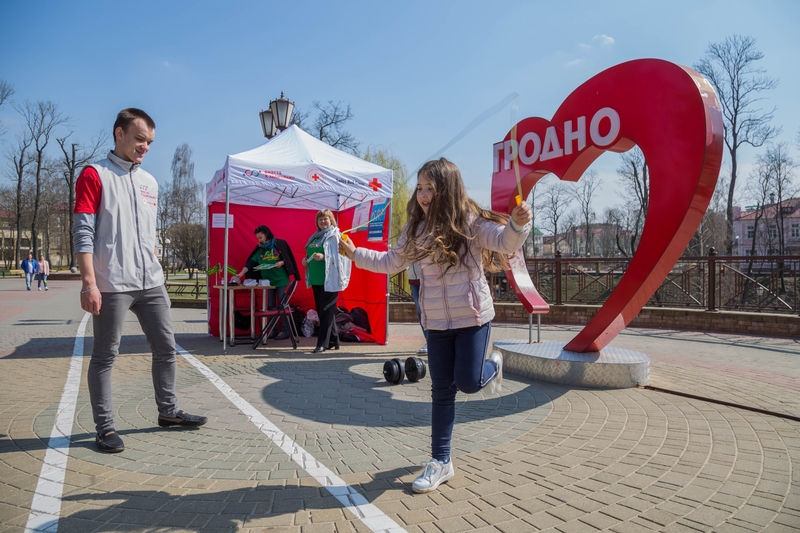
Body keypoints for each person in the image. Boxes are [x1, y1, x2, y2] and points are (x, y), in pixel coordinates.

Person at [339, 158, 531, 494]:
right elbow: (391, 262)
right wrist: (355, 254)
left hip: (472, 319)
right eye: (420, 188)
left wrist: (517, 225)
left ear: (448, 188)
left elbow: (504, 243)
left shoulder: (471, 221)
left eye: (431, 187)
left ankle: (494, 364)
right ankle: (441, 461)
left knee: (468, 382)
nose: (423, 195)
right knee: (441, 391)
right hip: (437, 323)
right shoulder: (416, 228)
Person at [73, 108, 207, 454]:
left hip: (151, 281)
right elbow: (83, 232)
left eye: (149, 142)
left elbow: (148, 232)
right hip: (111, 282)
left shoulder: (150, 182)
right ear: (119, 133)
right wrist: (89, 283)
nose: (145, 147)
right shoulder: (94, 174)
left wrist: (154, 258)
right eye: (139, 139)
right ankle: (105, 428)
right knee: (105, 356)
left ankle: (168, 411)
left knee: (166, 349)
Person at [230, 225, 299, 340]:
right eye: (258, 238)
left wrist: (282, 263)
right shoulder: (260, 249)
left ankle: (285, 330)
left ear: (266, 234)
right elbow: (250, 263)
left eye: (260, 237)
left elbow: (288, 258)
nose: (259, 240)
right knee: (270, 306)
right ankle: (273, 330)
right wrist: (241, 273)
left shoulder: (280, 244)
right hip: (267, 282)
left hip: (281, 279)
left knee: (282, 305)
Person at [302, 209, 351, 353]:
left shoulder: (336, 236)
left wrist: (324, 258)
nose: (323, 221)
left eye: (326, 219)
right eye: (320, 219)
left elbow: (342, 257)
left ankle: (322, 344)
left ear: (331, 220)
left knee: (325, 312)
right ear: (317, 222)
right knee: (323, 311)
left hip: (330, 279)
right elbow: (310, 253)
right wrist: (306, 260)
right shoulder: (315, 237)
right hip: (316, 279)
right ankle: (334, 340)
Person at [408, 261, 427, 353]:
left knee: (427, 311)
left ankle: (431, 341)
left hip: (427, 277)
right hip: (413, 278)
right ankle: (428, 340)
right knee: (420, 311)